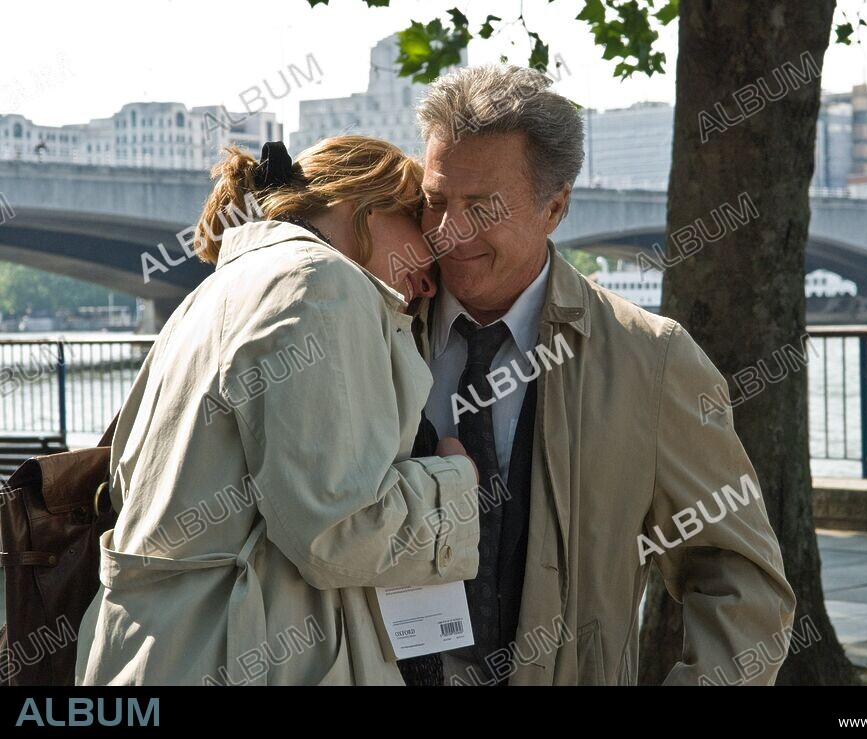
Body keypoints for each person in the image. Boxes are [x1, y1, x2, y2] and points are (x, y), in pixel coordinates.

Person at [398, 65, 797, 686]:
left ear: (554, 206)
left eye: (482, 206)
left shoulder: (652, 360)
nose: (450, 231)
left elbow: (738, 579)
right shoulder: (372, 334)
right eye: (436, 201)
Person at [76, 136, 480, 686]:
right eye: (417, 218)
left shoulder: (213, 294)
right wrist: (455, 484)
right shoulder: (320, 281)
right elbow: (338, 528)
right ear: (354, 198)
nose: (431, 272)